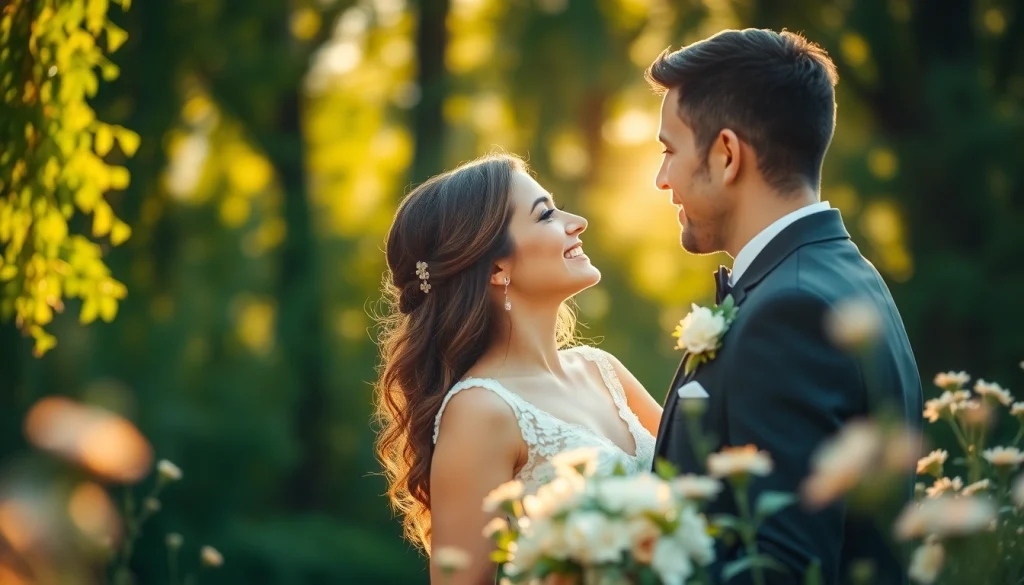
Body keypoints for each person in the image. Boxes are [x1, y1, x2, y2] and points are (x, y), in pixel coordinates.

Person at [648, 28, 923, 585]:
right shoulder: (848, 274)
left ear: (727, 154)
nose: (661, 178)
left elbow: (782, 569)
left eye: (669, 151)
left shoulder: (789, 311)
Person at [372, 153, 662, 585]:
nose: (577, 221)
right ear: (495, 268)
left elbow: (700, 480)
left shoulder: (605, 371)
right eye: (546, 214)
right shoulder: (480, 412)